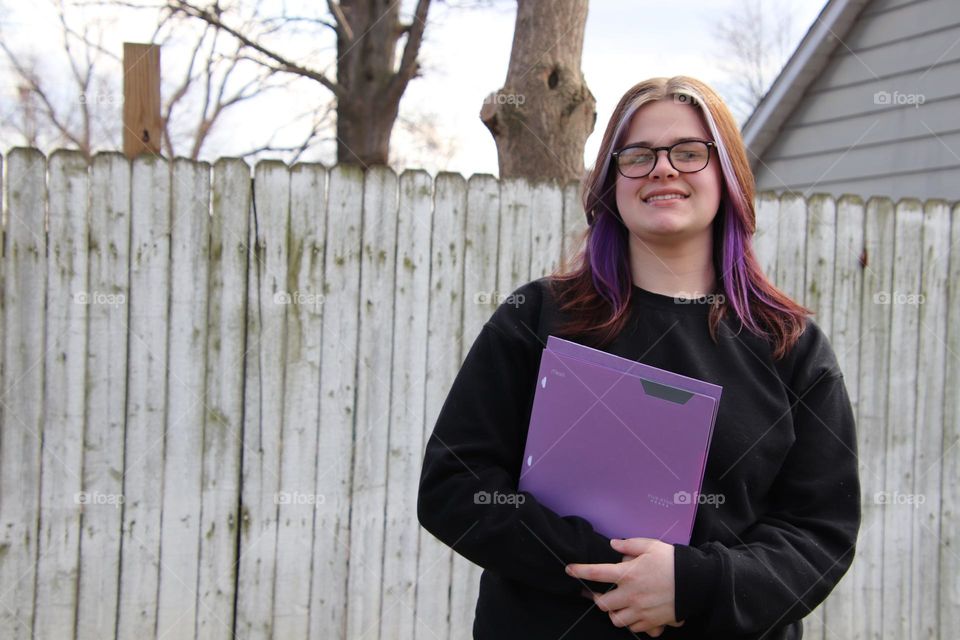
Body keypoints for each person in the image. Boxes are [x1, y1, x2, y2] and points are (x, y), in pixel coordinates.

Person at [417, 76, 860, 639]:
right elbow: (455, 485)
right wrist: (612, 570)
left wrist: (691, 584)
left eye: (689, 152)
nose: (663, 168)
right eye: (638, 155)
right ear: (610, 182)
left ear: (727, 177)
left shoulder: (788, 345)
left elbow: (820, 533)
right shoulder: (538, 317)